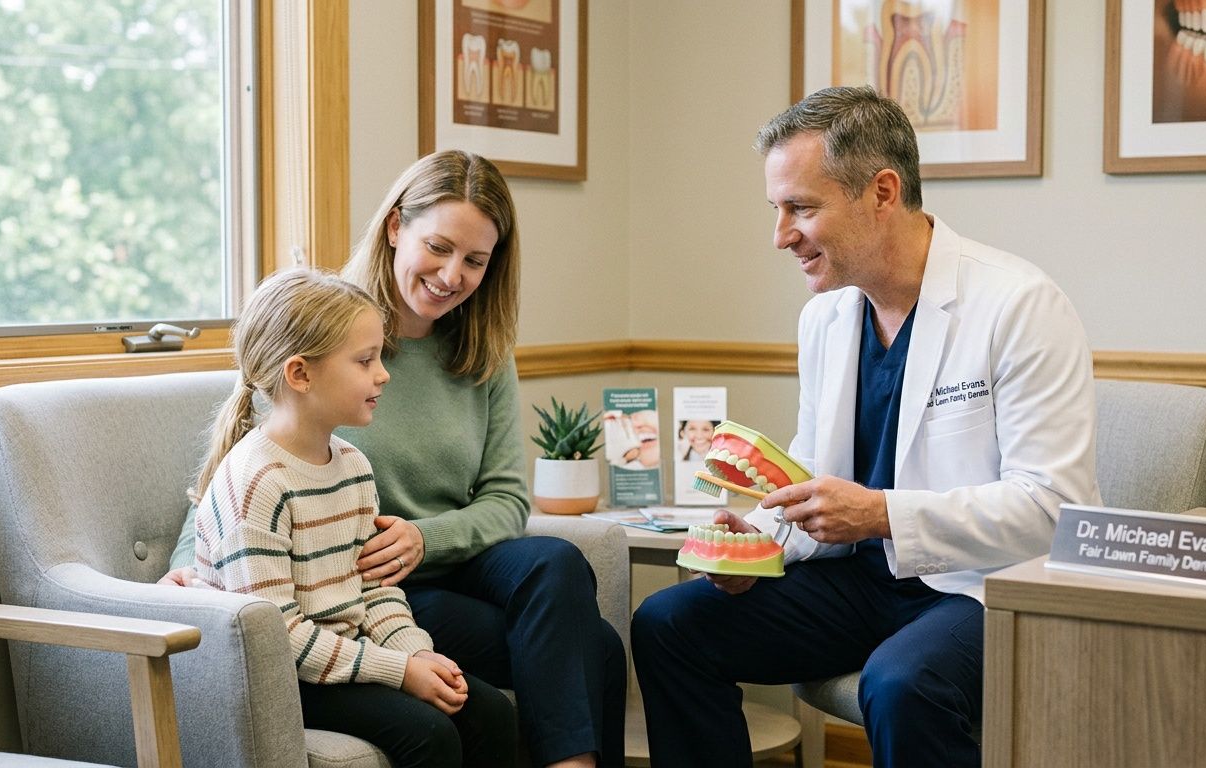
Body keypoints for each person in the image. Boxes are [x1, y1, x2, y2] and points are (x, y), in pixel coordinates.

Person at [630, 86, 1100, 768]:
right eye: (777, 209)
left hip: (975, 586)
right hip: (857, 583)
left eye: (802, 208)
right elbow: (811, 474)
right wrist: (759, 540)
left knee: (903, 683)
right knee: (668, 626)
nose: (781, 234)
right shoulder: (824, 318)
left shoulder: (1019, 306)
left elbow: (1052, 509)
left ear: (882, 191)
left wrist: (880, 514)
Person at [165, 150, 624, 768]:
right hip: (364, 578)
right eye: (438, 246)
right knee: (593, 645)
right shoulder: (326, 331)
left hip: (444, 558)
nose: (452, 274)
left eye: (475, 260)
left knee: (556, 562)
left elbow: (507, 500)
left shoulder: (483, 346)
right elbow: (235, 465)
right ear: (394, 228)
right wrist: (186, 571)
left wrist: (423, 538)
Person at [189, 268, 515, 767]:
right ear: (300, 374)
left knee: (489, 711)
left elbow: (375, 588)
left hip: (342, 656)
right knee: (429, 734)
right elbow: (280, 638)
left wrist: (415, 651)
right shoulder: (255, 483)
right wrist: (399, 670)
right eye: (365, 360)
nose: (383, 373)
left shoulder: (352, 466)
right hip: (280, 677)